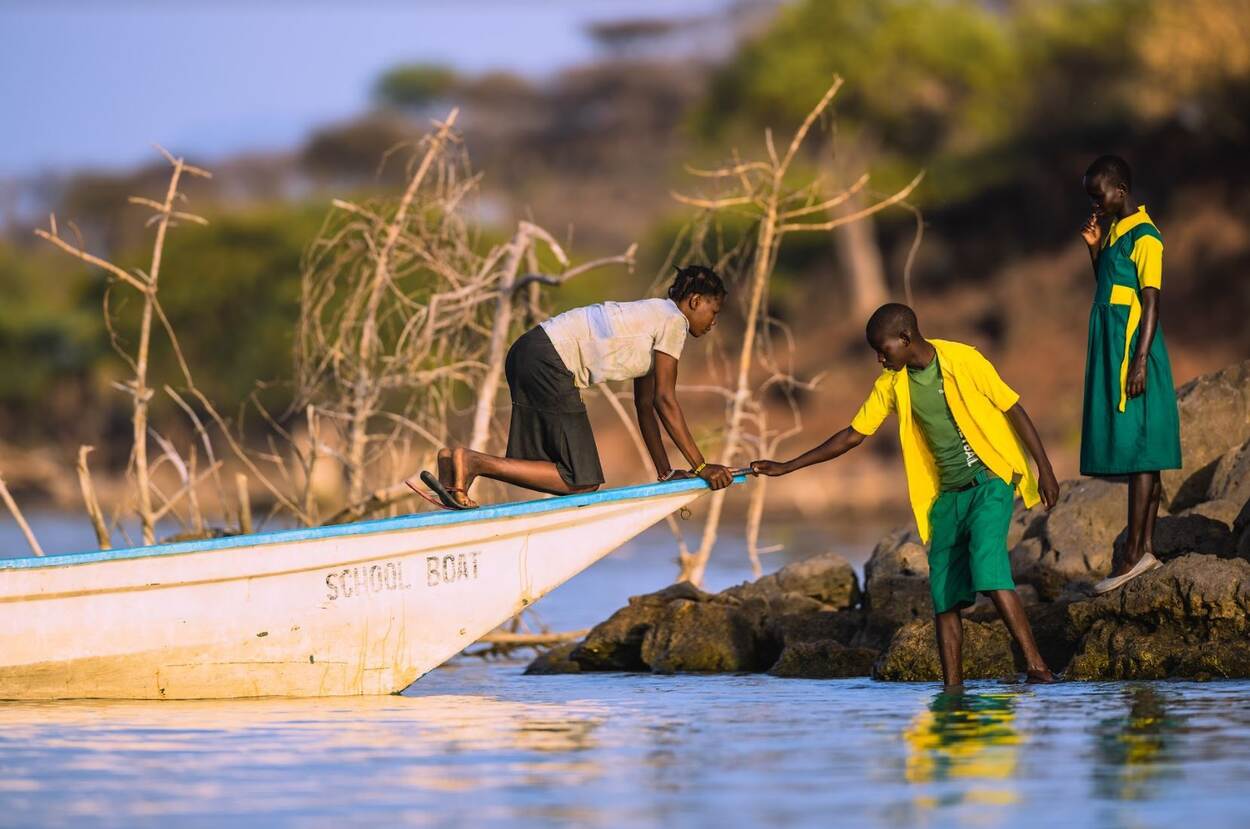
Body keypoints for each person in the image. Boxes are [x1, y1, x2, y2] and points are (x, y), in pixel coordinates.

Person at [750, 303, 1060, 691]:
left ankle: (1037, 667)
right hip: (946, 496)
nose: (879, 358)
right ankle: (953, 689)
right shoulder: (891, 385)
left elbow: (1013, 407)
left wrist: (1044, 469)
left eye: (884, 349)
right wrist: (787, 466)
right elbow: (852, 435)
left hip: (991, 480)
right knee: (943, 596)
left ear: (906, 338)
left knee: (987, 563)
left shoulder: (963, 360)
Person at [417, 265, 735, 509]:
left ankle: (453, 469)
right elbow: (666, 400)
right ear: (694, 301)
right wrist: (702, 466)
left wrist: (665, 472)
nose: (713, 322)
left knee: (565, 470)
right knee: (579, 479)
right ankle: (473, 463)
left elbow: (646, 405)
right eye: (713, 312)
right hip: (549, 360)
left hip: (529, 350)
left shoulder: (652, 316)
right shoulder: (673, 321)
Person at [1080, 155, 1182, 594]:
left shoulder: (1146, 236)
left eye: (1098, 194)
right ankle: (1140, 551)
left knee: (1143, 451)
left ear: (1120, 190)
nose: (1095, 203)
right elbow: (1107, 285)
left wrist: (1140, 361)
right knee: (1137, 450)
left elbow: (1151, 303)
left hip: (1133, 351)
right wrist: (1093, 248)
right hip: (1111, 345)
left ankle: (1135, 554)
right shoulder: (1116, 232)